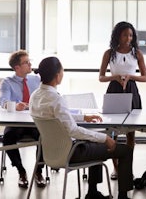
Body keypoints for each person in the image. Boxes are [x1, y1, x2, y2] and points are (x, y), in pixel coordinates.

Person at [30, 56, 133, 199]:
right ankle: (122, 197)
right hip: (71, 152)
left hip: (50, 153)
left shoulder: (35, 96)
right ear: (57, 75)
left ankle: (92, 193)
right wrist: (105, 138)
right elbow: (73, 130)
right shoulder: (56, 98)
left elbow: (58, 118)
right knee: (125, 150)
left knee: (94, 141)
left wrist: (84, 118)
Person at [98, 21, 146, 180]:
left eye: (131, 35)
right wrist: (116, 77)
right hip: (114, 90)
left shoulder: (137, 53)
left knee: (130, 134)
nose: (128, 38)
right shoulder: (109, 53)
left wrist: (130, 76)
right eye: (125, 34)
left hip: (131, 91)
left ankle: (127, 168)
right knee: (113, 133)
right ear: (118, 35)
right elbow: (101, 77)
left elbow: (145, 77)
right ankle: (116, 168)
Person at [0, 50, 45, 189]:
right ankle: (21, 171)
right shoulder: (7, 82)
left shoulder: (36, 79)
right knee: (7, 138)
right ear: (17, 67)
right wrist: (14, 105)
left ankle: (39, 171)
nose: (30, 64)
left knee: (46, 136)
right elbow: (3, 101)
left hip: (35, 121)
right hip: (16, 122)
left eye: (29, 61)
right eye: (26, 62)